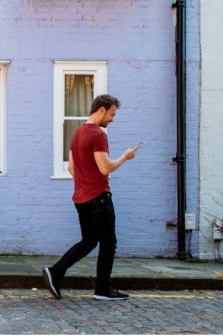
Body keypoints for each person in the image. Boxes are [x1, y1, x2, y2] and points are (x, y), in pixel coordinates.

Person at [43, 94, 141, 301]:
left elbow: (71, 167)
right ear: (102, 110)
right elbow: (104, 167)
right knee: (108, 242)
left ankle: (55, 271)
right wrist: (125, 157)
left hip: (81, 198)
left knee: (88, 241)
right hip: (98, 197)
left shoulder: (77, 133)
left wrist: (85, 183)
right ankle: (102, 289)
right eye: (112, 114)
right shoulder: (98, 134)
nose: (112, 119)